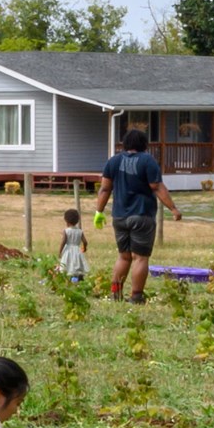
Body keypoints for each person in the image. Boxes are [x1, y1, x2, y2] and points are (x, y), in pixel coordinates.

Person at [94, 128, 183, 303]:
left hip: (119, 216)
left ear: (125, 144)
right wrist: (173, 208)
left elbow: (105, 188)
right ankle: (136, 296)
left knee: (123, 256)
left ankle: (116, 294)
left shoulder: (113, 162)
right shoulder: (147, 161)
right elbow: (156, 187)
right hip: (142, 215)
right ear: (144, 145)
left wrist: (99, 211)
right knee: (140, 258)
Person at [57, 208, 88, 281]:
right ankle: (79, 277)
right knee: (77, 263)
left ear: (66, 220)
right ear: (77, 220)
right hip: (77, 250)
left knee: (67, 263)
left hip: (68, 250)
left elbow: (63, 242)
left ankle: (68, 278)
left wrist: (60, 251)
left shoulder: (66, 231)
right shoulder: (80, 231)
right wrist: (84, 248)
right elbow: (85, 241)